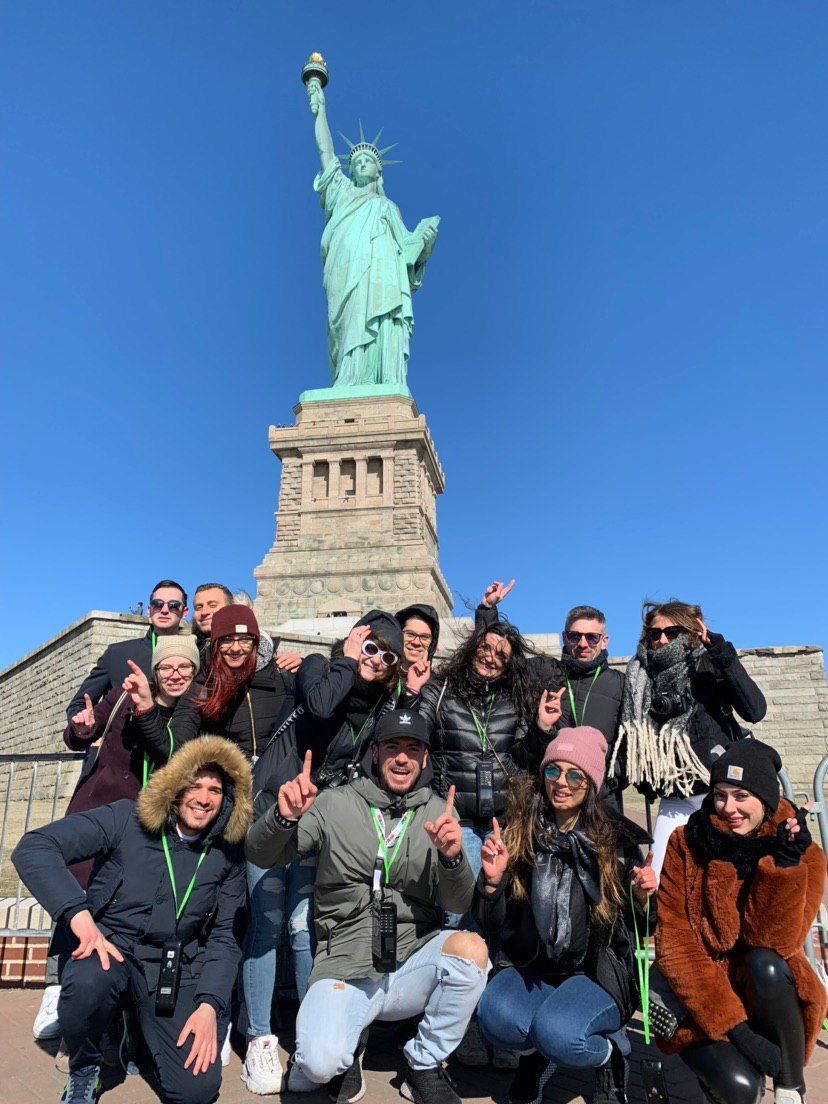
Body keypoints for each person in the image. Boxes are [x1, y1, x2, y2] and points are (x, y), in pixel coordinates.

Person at [245, 709, 489, 1104]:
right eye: (393, 747)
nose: (403, 758)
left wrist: (451, 859)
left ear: (425, 758)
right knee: (320, 1064)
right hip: (344, 961)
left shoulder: (437, 812)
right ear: (375, 753)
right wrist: (284, 818)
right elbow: (261, 853)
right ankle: (350, 1045)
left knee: (471, 952)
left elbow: (458, 902)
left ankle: (424, 1063)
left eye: (413, 749)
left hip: (409, 962)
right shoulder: (334, 803)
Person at [13, 736, 252, 1104]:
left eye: (215, 790)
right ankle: (86, 1068)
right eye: (195, 785)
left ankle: (139, 1035)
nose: (203, 799)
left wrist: (209, 1006)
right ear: (175, 786)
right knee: (89, 982)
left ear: (228, 798)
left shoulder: (227, 852)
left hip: (172, 967)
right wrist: (78, 916)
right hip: (110, 948)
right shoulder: (126, 817)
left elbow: (224, 937)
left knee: (196, 1091)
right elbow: (34, 848)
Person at [240, 609, 405, 1094]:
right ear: (355, 641)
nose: (377, 658)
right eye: (371, 645)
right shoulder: (317, 667)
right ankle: (259, 1038)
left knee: (300, 927)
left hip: (316, 822)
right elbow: (319, 703)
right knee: (267, 925)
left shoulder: (376, 706)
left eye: (385, 654)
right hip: (272, 810)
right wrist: (350, 659)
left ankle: (311, 1035)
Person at [33, 635, 203, 1045]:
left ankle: (118, 1013)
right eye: (167, 667)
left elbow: (170, 752)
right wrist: (81, 729)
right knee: (79, 891)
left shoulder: (192, 709)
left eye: (185, 667)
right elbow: (81, 734)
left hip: (147, 827)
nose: (175, 674)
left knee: (123, 909)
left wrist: (148, 706)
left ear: (195, 672)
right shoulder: (124, 695)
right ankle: (59, 987)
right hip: (100, 810)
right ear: (156, 670)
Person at [475, 727, 657, 1104]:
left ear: (591, 782)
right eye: (553, 771)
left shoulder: (617, 844)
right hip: (537, 967)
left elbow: (643, 930)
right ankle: (536, 1057)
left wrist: (640, 899)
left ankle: (609, 1057)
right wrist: (492, 885)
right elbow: (494, 922)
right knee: (494, 1015)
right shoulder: (521, 834)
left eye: (575, 774)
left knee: (561, 1033)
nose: (562, 782)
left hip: (596, 974)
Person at [416, 613, 554, 1068]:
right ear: (471, 648)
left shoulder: (517, 699)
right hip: (459, 820)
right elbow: (419, 742)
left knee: (496, 923)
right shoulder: (439, 692)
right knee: (459, 923)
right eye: (485, 648)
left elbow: (525, 759)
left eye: (501, 654)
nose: (490, 658)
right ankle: (461, 1031)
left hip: (501, 824)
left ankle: (493, 1028)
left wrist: (541, 730)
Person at [656, 739, 826, 1104]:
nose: (728, 808)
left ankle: (790, 1086)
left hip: (768, 994)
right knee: (741, 1088)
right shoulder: (687, 842)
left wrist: (783, 866)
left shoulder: (803, 853)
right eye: (720, 795)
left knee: (764, 962)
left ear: (765, 800)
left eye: (741, 795)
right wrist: (737, 1030)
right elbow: (675, 945)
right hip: (702, 996)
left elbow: (778, 943)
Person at [609, 600, 767, 875]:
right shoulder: (639, 676)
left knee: (731, 878)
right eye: (654, 634)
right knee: (657, 877)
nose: (661, 640)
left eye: (672, 632)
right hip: (675, 797)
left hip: (719, 794)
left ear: (691, 632)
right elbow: (636, 739)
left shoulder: (707, 663)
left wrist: (721, 654)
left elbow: (755, 710)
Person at [133, 605, 293, 761]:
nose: (236, 648)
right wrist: (146, 707)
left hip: (280, 784)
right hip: (227, 784)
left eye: (245, 639)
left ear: (255, 642)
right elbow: (172, 750)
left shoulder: (283, 674)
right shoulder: (202, 685)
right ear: (216, 643)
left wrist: (313, 663)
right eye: (227, 640)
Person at [66, 580, 189, 722]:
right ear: (149, 610)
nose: (164, 610)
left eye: (174, 605)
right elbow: (79, 704)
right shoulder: (117, 654)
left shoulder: (196, 656)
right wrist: (83, 724)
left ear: (184, 612)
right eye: (158, 604)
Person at [395, 603, 441, 706]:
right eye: (410, 634)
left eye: (424, 637)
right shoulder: (381, 675)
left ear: (431, 643)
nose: (416, 642)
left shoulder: (437, 688)